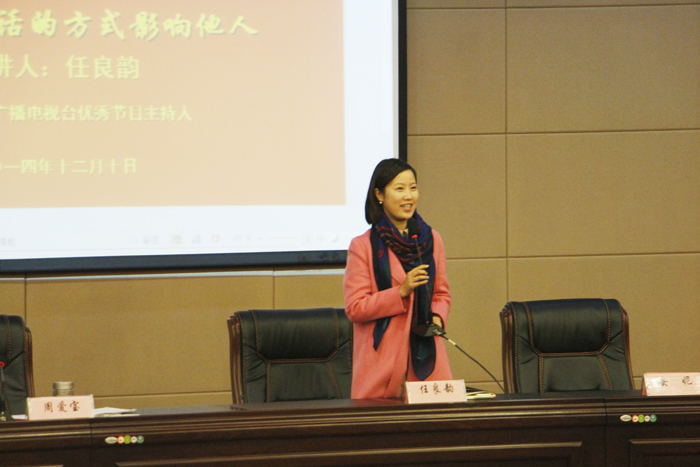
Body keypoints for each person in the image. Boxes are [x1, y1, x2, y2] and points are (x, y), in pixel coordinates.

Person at [343, 158, 452, 399]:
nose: (408, 196)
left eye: (413, 188)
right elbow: (355, 308)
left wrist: (436, 319)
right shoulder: (363, 246)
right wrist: (400, 291)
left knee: (437, 422)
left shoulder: (431, 240)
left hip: (427, 357)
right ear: (379, 195)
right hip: (381, 362)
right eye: (400, 188)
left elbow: (441, 294)